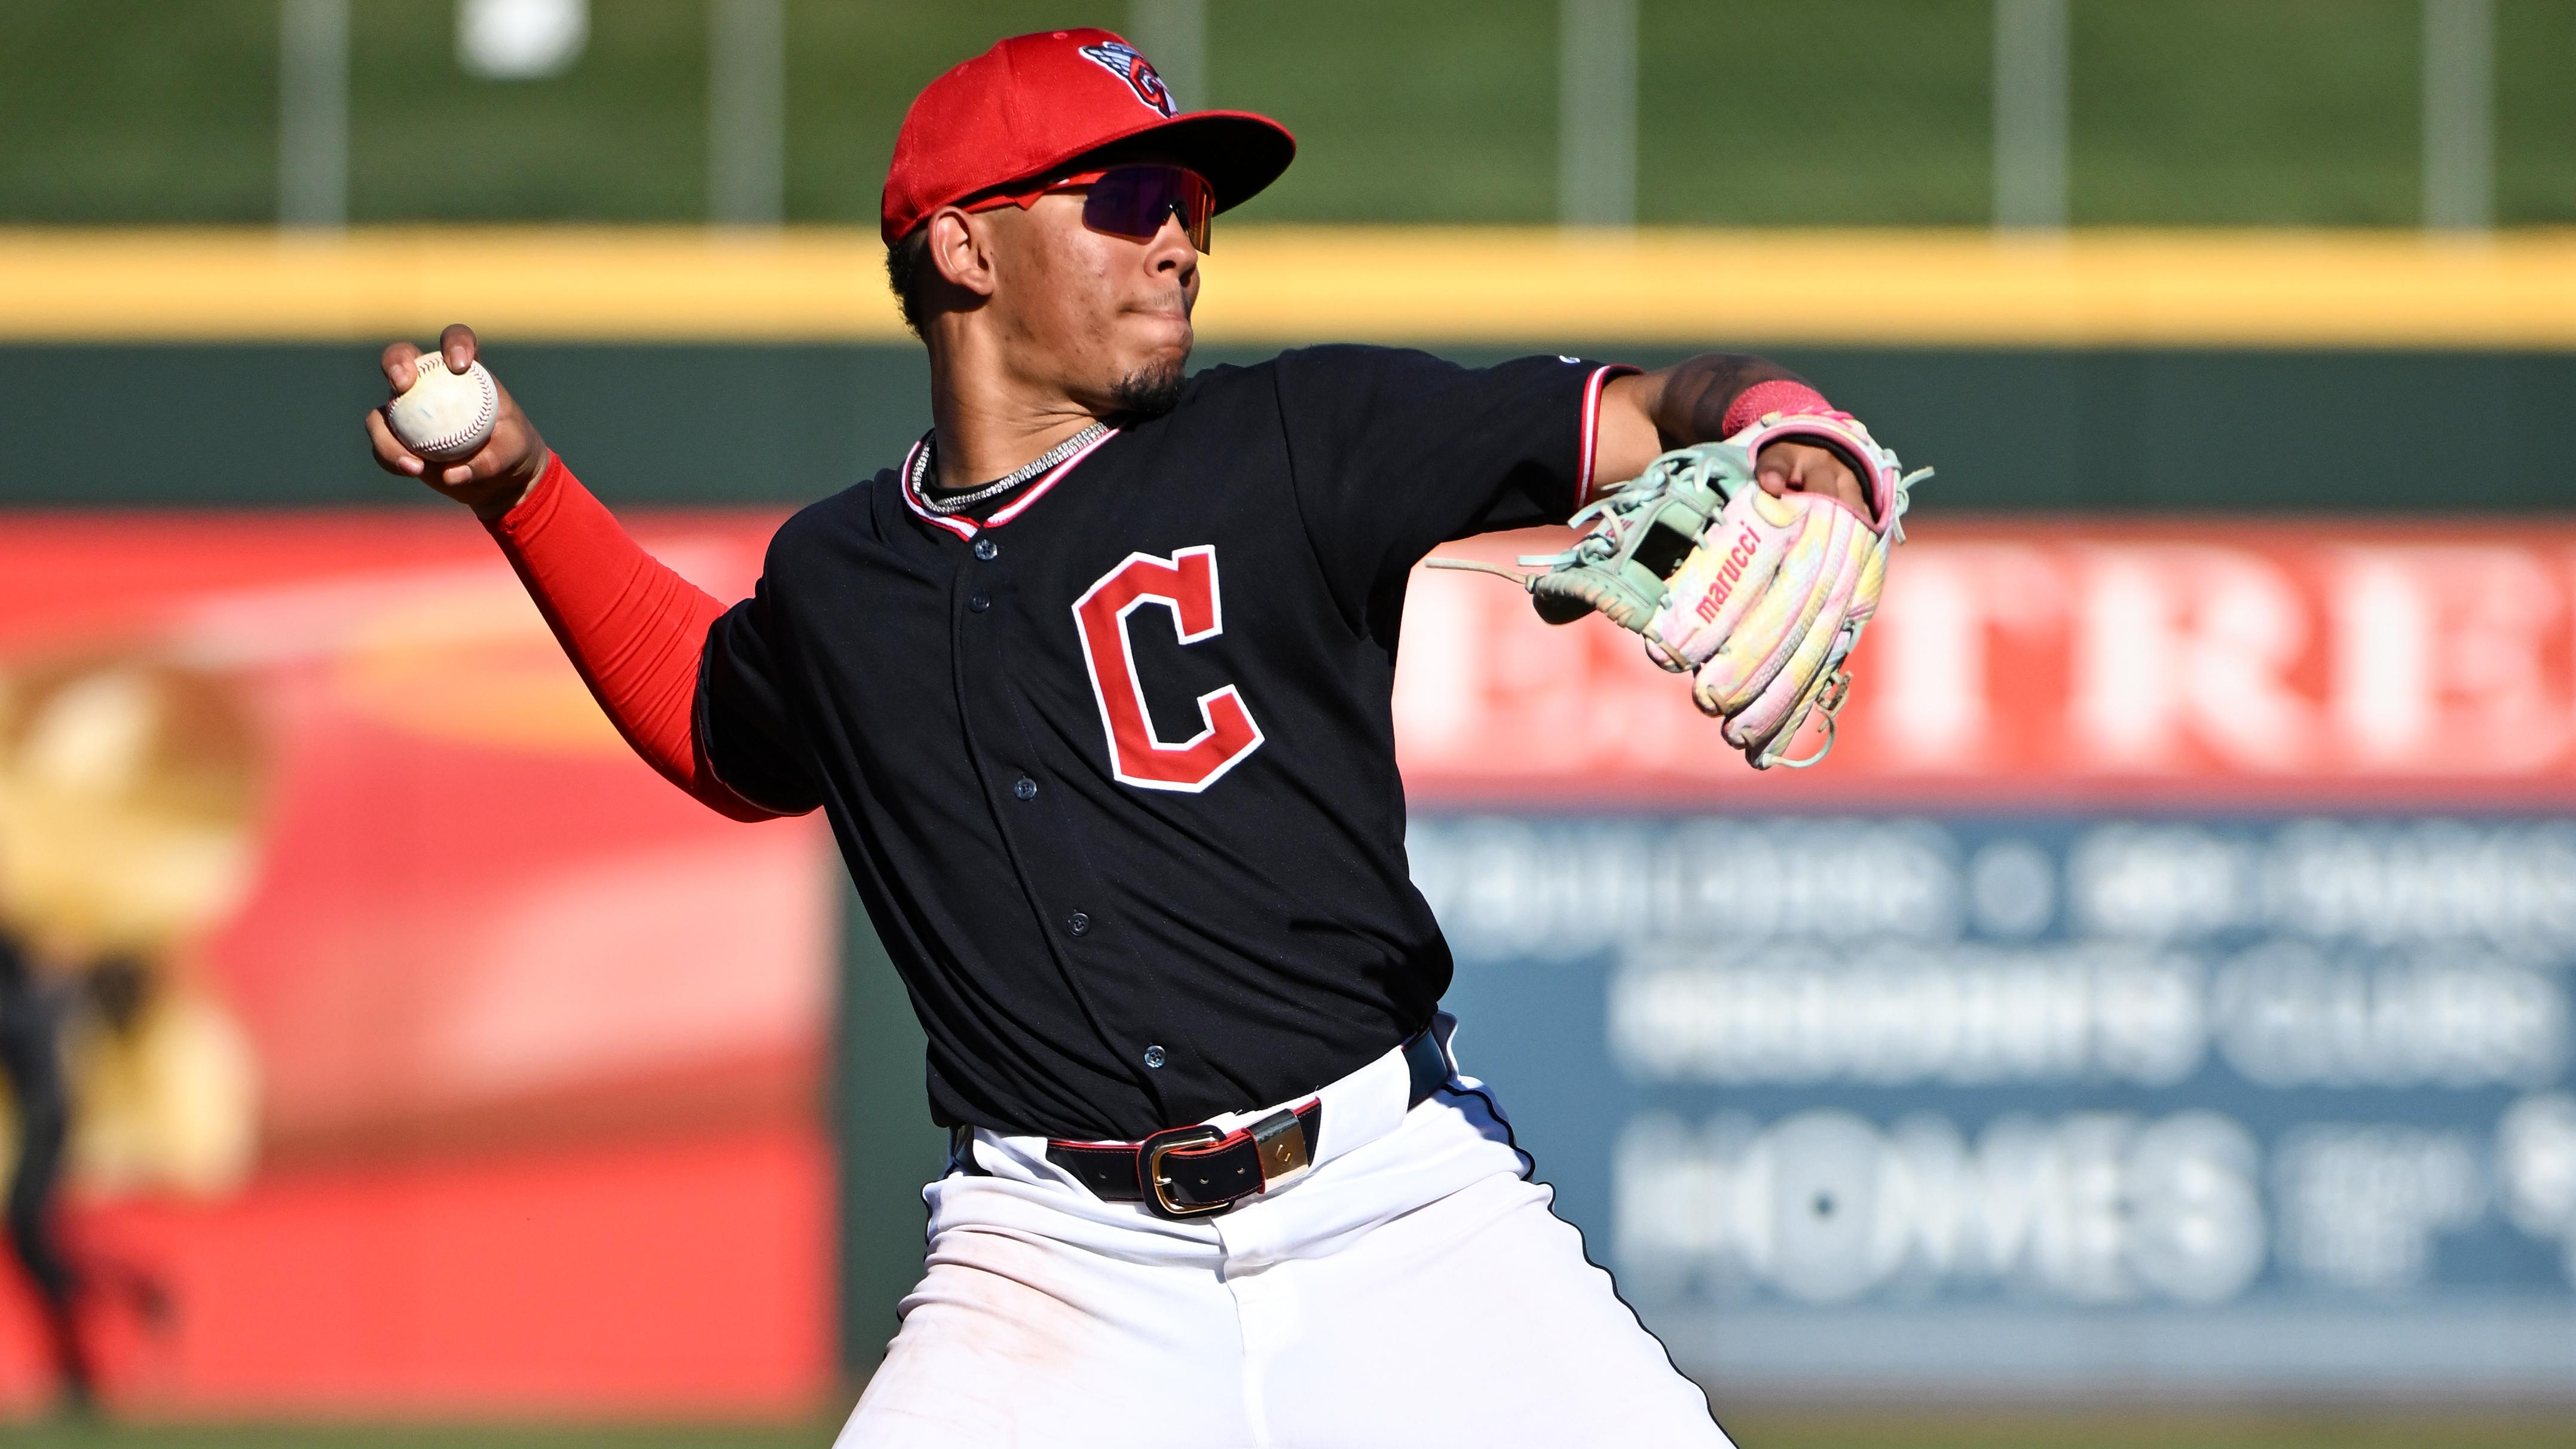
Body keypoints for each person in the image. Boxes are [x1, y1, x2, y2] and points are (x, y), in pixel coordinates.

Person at [365, 27, 1883, 1447]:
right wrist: (520, 491)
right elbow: (713, 725)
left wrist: (1796, 433)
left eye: (1197, 209)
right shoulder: (842, 576)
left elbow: (1658, 407)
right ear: (963, 243)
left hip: (1401, 1208)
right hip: (1045, 1263)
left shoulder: (1296, 436)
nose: (1180, 237)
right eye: (1130, 195)